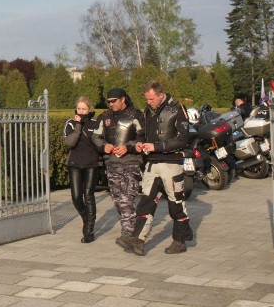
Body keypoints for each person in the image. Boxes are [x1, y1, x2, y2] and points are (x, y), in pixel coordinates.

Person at [130, 81, 195, 256]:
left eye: (151, 99)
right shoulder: (147, 110)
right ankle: (139, 239)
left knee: (175, 204)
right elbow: (142, 133)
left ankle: (179, 241)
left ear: (161, 95)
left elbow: (183, 139)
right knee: (145, 202)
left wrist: (157, 147)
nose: (148, 102)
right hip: (152, 164)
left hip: (171, 165)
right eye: (147, 99)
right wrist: (139, 144)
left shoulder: (177, 109)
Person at [91, 88, 144, 252]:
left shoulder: (136, 115)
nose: (111, 104)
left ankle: (128, 233)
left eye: (114, 101)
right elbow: (95, 136)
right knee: (118, 199)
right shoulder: (104, 117)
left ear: (123, 100)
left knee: (127, 197)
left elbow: (144, 137)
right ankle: (129, 232)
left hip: (131, 163)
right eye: (109, 101)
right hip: (112, 164)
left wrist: (128, 147)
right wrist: (103, 146)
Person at [63, 96, 101, 243]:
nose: (81, 111)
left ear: (89, 109)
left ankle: (89, 230)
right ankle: (86, 217)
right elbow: (70, 143)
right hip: (75, 163)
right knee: (76, 196)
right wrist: (78, 126)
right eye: (79, 108)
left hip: (92, 163)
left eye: (84, 109)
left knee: (89, 195)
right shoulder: (71, 123)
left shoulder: (95, 123)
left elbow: (99, 141)